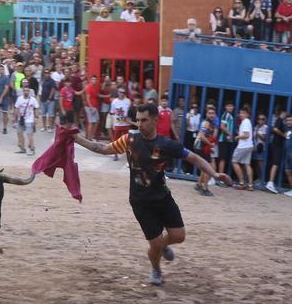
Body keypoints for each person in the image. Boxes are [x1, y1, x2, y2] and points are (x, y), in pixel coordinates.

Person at [72, 102, 231, 287]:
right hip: (140, 202)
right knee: (154, 244)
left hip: (163, 198)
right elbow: (102, 148)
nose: (139, 124)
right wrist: (77, 138)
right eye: (137, 120)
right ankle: (156, 269)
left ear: (155, 120)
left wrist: (214, 174)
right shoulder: (129, 140)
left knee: (179, 236)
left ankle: (162, 246)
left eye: (144, 120)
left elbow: (194, 158)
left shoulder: (167, 145)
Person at [231, 105, 254, 190]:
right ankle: (250, 185)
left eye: (243, 113)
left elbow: (246, 135)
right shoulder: (248, 122)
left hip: (243, 146)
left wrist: (237, 137)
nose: (241, 114)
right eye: (240, 112)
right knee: (247, 164)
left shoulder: (245, 122)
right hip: (249, 145)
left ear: (247, 114)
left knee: (234, 162)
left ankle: (242, 183)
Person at [14, 85, 40, 155]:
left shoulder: (33, 99)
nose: (26, 92)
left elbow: (36, 108)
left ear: (29, 92)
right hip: (21, 119)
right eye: (25, 90)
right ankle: (22, 148)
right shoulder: (19, 98)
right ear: (23, 91)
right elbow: (16, 108)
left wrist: (36, 118)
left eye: (27, 91)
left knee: (29, 135)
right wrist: (15, 118)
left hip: (30, 119)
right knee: (19, 133)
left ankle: (32, 149)